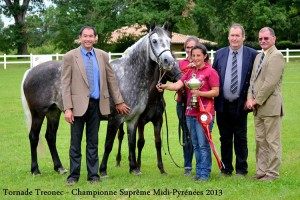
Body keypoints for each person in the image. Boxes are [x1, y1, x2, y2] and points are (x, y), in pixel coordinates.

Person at [62, 26, 130, 186]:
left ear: (95, 38)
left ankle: (93, 175)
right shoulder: (70, 56)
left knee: (93, 142)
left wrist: (119, 101)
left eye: (91, 36)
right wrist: (67, 108)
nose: (88, 39)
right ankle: (73, 176)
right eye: (85, 36)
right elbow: (65, 84)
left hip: (96, 105)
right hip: (77, 106)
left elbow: (111, 80)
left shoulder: (102, 56)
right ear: (80, 37)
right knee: (75, 143)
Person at [157, 44, 219, 181]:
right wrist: (165, 86)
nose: (195, 58)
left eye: (198, 55)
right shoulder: (190, 73)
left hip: (204, 113)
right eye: (193, 56)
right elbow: (178, 85)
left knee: (203, 144)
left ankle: (205, 173)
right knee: (195, 144)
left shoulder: (210, 72)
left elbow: (216, 91)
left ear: (205, 56)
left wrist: (200, 92)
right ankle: (198, 172)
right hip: (190, 112)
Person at [212, 23, 258, 177]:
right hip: (222, 104)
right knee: (224, 138)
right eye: (232, 35)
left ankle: (241, 169)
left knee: (240, 137)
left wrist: (251, 98)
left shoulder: (253, 54)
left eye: (238, 35)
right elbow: (213, 78)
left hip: (241, 104)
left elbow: (257, 79)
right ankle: (226, 169)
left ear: (243, 37)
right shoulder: (219, 54)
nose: (234, 38)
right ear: (228, 37)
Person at [246, 27, 284, 181]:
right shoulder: (259, 56)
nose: (262, 41)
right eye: (260, 38)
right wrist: (249, 98)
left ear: (274, 39)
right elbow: (252, 81)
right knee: (260, 141)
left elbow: (270, 83)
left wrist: (256, 100)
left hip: (270, 106)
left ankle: (272, 173)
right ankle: (261, 171)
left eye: (266, 38)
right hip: (257, 107)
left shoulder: (277, 56)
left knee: (272, 141)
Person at [177, 36, 200, 176]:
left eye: (192, 47)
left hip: (199, 104)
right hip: (183, 103)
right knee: (186, 135)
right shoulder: (181, 64)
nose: (189, 50)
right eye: (187, 47)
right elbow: (177, 79)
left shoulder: (202, 63)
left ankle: (201, 164)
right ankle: (187, 166)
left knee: (198, 135)